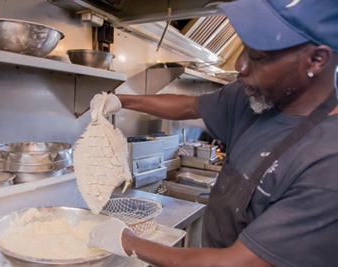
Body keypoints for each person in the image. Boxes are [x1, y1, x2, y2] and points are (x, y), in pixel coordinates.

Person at [88, 0, 338, 266]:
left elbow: (236, 263)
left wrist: (126, 241)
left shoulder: (327, 165)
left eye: (258, 57)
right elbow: (189, 106)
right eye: (244, 49)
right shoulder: (254, 96)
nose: (240, 66)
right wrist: (121, 101)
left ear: (316, 59)